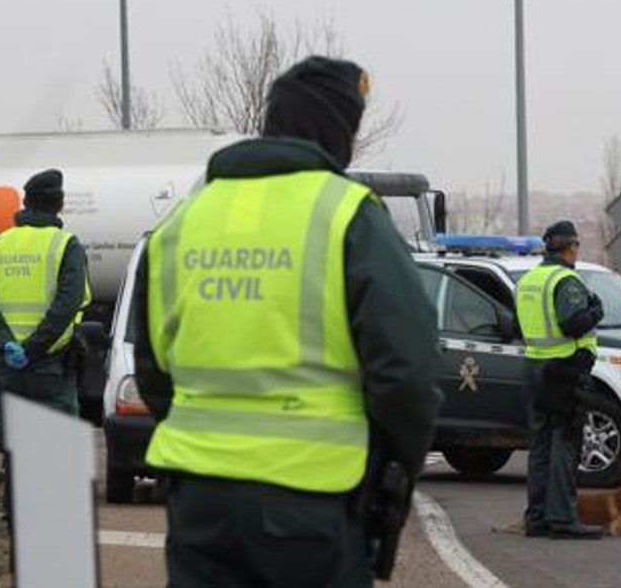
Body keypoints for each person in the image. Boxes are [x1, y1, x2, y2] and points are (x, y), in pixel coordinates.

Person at [133, 56, 442, 587]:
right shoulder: (347, 212)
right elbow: (408, 371)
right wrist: (394, 469)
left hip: (199, 498)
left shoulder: (184, 220)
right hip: (311, 499)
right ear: (338, 130)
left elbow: (153, 368)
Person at [0, 168, 91, 415]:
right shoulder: (66, 245)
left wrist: (7, 345)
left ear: (25, 203)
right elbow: (67, 304)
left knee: (16, 444)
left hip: (6, 365)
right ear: (60, 203)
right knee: (56, 444)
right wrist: (32, 349)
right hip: (50, 364)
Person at [516, 220, 606, 540]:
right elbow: (573, 324)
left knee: (540, 446)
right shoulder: (566, 280)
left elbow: (518, 325)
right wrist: (597, 311)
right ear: (570, 247)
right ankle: (563, 519)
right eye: (576, 246)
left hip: (534, 367)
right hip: (563, 370)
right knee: (565, 444)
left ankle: (537, 518)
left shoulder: (529, 279)